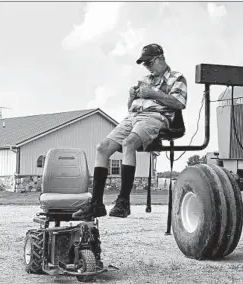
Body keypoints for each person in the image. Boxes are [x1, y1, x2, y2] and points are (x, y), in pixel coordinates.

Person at [73, 43, 187, 219]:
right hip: (133, 117)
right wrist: (131, 98)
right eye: (145, 64)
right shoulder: (145, 80)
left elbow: (179, 103)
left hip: (155, 116)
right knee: (102, 147)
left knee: (129, 143)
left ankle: (123, 202)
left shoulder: (176, 77)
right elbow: (131, 109)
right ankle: (96, 204)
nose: (147, 67)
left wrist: (153, 94)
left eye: (148, 63)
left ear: (159, 59)